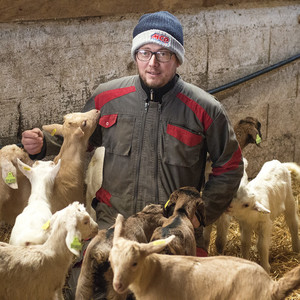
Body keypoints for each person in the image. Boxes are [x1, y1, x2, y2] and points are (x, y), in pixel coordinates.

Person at [22, 10, 244, 298]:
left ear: (177, 59)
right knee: (83, 289)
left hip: (170, 235)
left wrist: (199, 215)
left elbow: (231, 165)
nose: (152, 63)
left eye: (163, 54)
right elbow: (79, 139)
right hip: (114, 226)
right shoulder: (107, 98)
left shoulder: (204, 108)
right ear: (135, 54)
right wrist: (43, 146)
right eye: (144, 52)